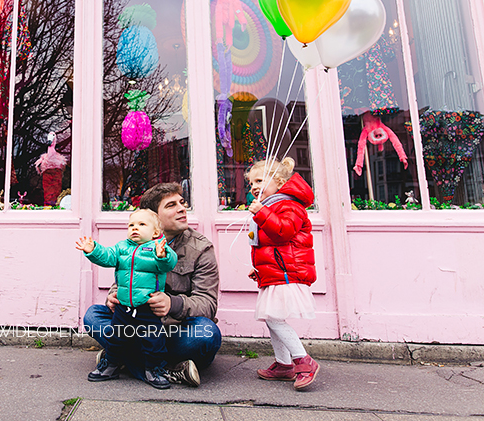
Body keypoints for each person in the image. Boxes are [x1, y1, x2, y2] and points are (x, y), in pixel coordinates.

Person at [83, 183, 221, 388]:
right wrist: (114, 296)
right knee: (93, 316)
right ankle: (166, 370)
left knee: (207, 334)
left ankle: (120, 359)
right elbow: (122, 280)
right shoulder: (132, 244)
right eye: (171, 205)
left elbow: (208, 303)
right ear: (153, 217)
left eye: (182, 203)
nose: (182, 209)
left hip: (173, 331)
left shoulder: (201, 248)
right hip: (133, 323)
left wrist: (172, 303)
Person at [76, 209, 177, 389]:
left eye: (141, 224)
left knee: (153, 341)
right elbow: (107, 257)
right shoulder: (122, 247)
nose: (135, 228)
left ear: (155, 232)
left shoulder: (158, 248)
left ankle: (153, 369)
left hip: (147, 307)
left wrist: (163, 255)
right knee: (116, 338)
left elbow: (169, 264)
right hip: (124, 307)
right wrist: (93, 250)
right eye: (131, 225)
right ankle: (111, 365)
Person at [245, 157, 320, 390]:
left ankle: (303, 361)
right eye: (251, 183)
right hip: (276, 271)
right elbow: (269, 244)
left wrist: (261, 212)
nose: (254, 186)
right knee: (272, 318)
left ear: (278, 181)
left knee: (274, 318)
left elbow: (283, 231)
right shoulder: (273, 205)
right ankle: (284, 364)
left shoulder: (289, 204)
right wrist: (259, 267)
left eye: (259, 180)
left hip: (287, 272)